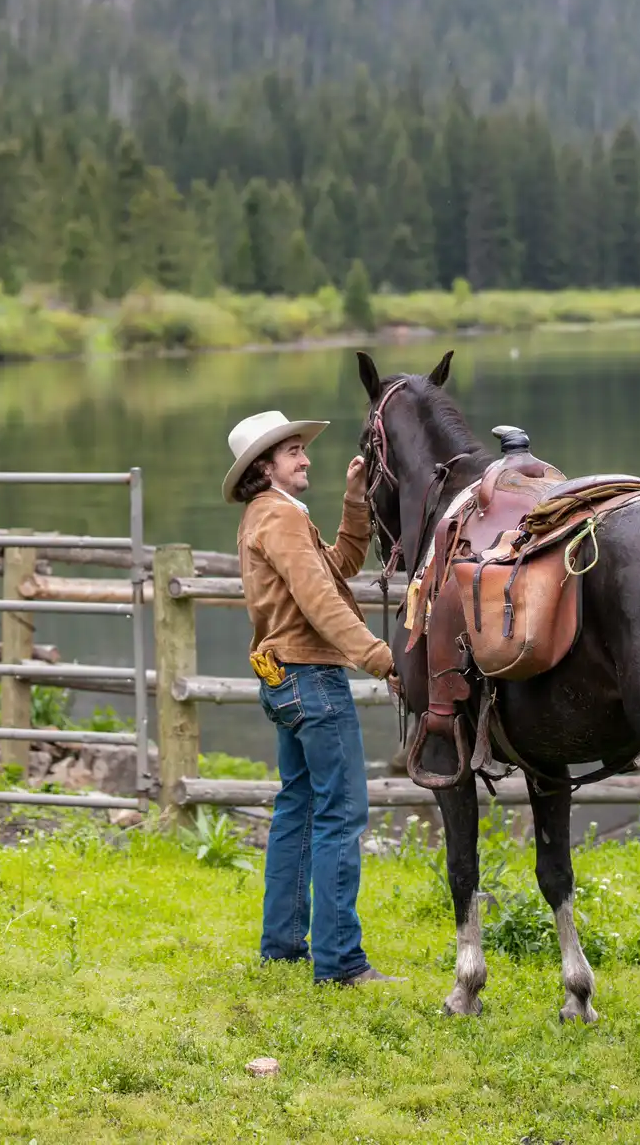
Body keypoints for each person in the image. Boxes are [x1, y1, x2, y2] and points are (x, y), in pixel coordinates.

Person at [224, 408, 402, 986]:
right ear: (265, 465)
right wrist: (379, 657)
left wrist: (355, 501)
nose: (305, 458)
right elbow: (320, 603)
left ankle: (282, 947)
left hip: (284, 682)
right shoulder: (277, 518)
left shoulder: (273, 515)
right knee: (340, 817)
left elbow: (337, 571)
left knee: (299, 810)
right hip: (312, 681)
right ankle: (342, 962)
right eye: (293, 450)